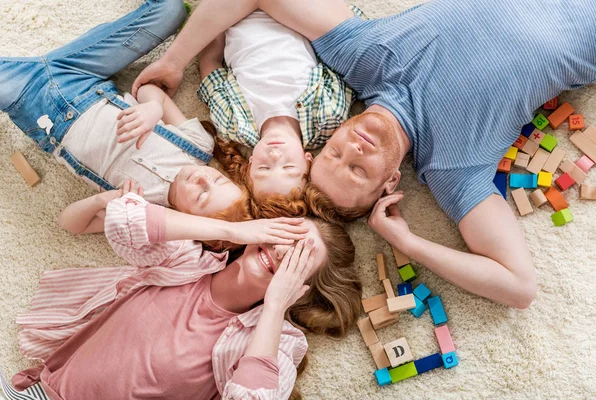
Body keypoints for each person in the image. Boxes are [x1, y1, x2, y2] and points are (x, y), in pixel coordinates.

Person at [133, 0, 596, 309]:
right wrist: (407, 243)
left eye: (334, 153)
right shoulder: (453, 170)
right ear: (390, 183)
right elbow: (519, 288)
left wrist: (174, 63)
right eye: (358, 170)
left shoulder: (363, 59)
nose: (353, 148)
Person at [0, 189, 362, 399]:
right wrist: (233, 230)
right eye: (286, 237)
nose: (282, 251)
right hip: (43, 392)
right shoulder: (188, 259)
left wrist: (274, 307)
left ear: (306, 290)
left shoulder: (276, 340)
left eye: (299, 256)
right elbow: (124, 219)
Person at [0, 0, 248, 220]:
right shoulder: (198, 145)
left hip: (38, 107)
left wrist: (103, 201)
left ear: (188, 217)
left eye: (202, 196)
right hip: (84, 75)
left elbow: (69, 222)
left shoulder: (143, 208)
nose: (203, 180)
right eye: (218, 179)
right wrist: (153, 109)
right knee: (171, 11)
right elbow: (149, 90)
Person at [194, 7, 363, 211]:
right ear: (309, 161)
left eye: (264, 167)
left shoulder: (232, 125)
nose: (275, 155)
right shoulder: (328, 119)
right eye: (288, 167)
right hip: (297, 10)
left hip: (237, 12)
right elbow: (345, 56)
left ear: (250, 163)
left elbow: (209, 63)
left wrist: (215, 15)